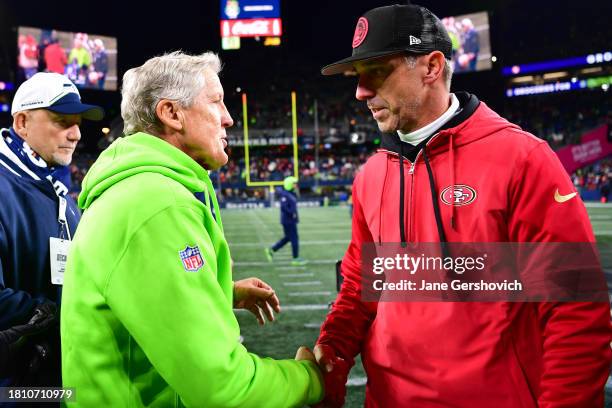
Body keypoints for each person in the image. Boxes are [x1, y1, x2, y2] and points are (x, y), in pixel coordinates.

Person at [313, 4, 611, 407]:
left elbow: (576, 313)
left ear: (432, 66)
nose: (361, 92)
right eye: (357, 76)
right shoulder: (371, 175)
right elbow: (360, 289)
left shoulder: (521, 159)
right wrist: (332, 354)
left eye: (377, 72)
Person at [60, 51, 323, 407]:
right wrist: (309, 378)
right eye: (216, 102)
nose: (229, 118)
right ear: (171, 113)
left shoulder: (141, 189)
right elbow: (222, 389)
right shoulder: (156, 203)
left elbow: (135, 292)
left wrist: (217, 292)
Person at [0, 72, 103, 387]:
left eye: (78, 123)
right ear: (22, 123)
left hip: (57, 378)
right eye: (61, 121)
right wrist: (58, 315)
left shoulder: (55, 189)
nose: (75, 134)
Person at [265, 176, 307, 266]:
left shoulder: (290, 194)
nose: (295, 185)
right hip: (288, 221)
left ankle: (272, 250)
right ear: (289, 184)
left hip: (290, 220)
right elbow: (284, 207)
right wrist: (292, 213)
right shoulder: (286, 195)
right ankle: (295, 259)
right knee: (294, 239)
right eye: (294, 184)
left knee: (288, 238)